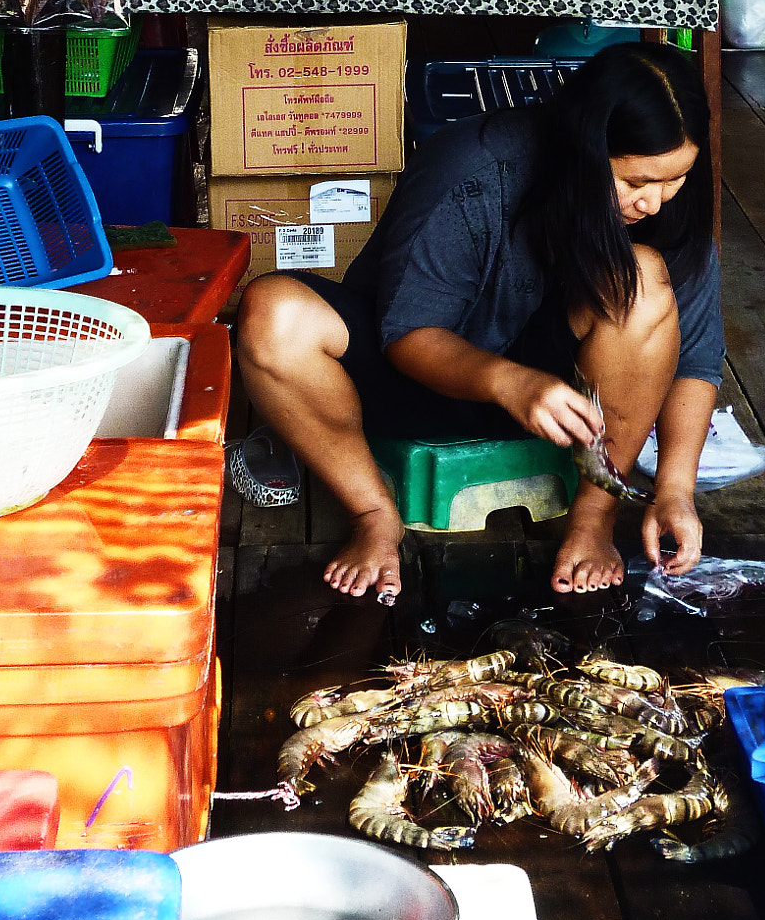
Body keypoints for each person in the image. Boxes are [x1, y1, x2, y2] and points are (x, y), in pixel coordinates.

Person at [236, 43, 723, 603]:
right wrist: (510, 382)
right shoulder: (472, 168)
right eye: (634, 183)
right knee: (271, 311)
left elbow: (696, 357)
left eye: (674, 180)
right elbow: (409, 335)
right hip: (409, 378)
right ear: (583, 153)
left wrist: (675, 491)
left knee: (641, 276)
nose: (655, 202)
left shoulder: (669, 207)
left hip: (562, 411)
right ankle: (374, 515)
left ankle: (591, 521)